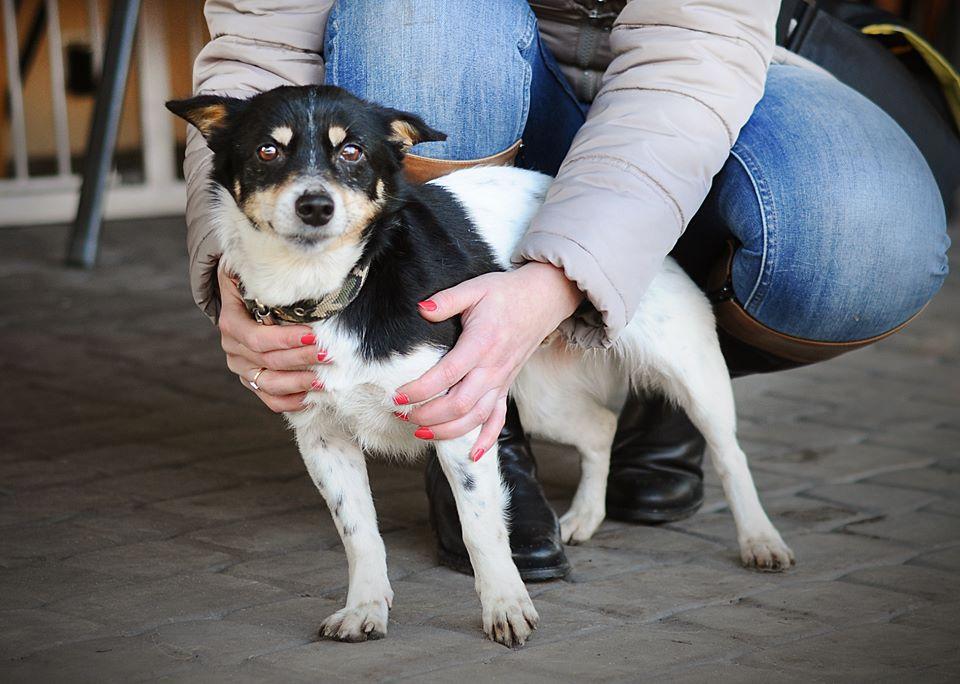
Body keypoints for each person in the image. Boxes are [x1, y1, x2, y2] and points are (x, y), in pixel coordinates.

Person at [183, 0, 950, 581]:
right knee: (418, 16)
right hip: (468, 84)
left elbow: (695, 52)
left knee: (862, 233)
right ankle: (483, 422)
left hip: (706, 74)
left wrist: (566, 279)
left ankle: (629, 352)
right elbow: (263, 44)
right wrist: (234, 268)